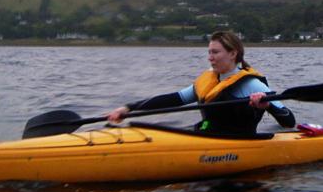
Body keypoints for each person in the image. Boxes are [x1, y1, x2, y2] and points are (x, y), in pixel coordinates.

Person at [106, 30, 295, 136]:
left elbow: (289, 121)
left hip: (240, 145)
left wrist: (267, 105)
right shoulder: (208, 81)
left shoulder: (251, 84)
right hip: (204, 136)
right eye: (209, 52)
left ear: (232, 53)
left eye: (215, 52)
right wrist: (128, 108)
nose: (210, 57)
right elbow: (172, 100)